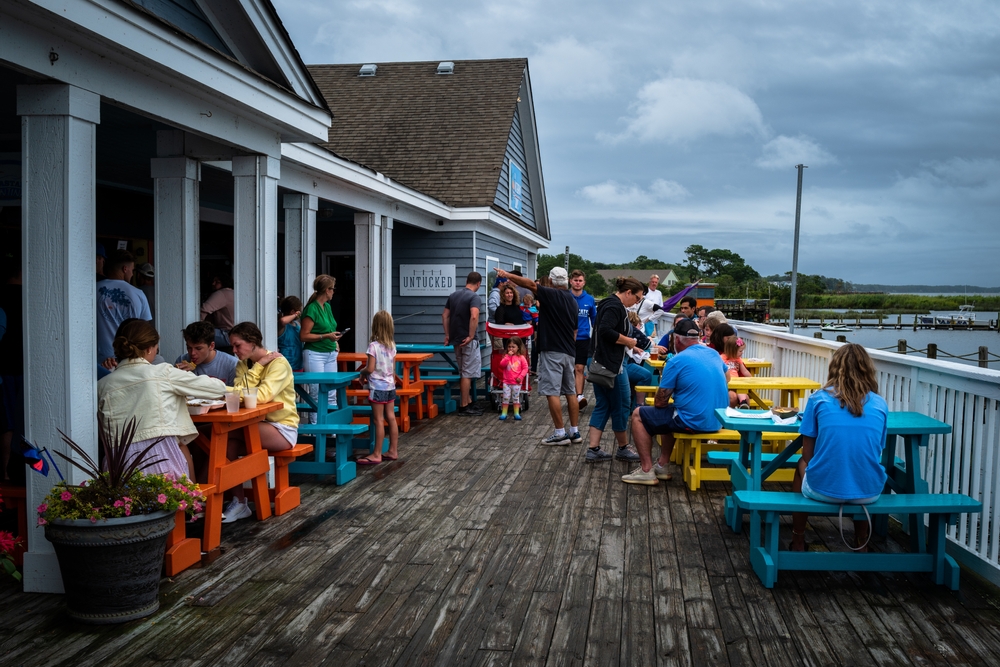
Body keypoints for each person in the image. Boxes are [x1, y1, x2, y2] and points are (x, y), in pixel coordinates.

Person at [97, 320, 225, 480]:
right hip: (160, 455)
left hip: (118, 462)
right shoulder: (162, 372)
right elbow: (217, 388)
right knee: (173, 501)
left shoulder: (102, 385)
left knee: (128, 504)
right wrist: (185, 378)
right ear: (150, 348)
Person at [790, 343, 888, 552]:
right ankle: (861, 541)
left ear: (834, 367)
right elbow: (877, 450)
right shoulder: (880, 403)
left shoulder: (819, 399)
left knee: (800, 464)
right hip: (869, 492)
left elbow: (808, 455)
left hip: (822, 490)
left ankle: (798, 539)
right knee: (863, 466)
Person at [622, 318, 729, 485]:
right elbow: (727, 377)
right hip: (718, 420)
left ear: (676, 339)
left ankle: (646, 470)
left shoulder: (676, 361)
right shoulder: (713, 354)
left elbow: (659, 402)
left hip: (694, 422)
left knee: (638, 415)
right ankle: (662, 466)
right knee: (671, 412)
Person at [223, 322, 298, 522]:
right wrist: (257, 366)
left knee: (223, 433)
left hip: (282, 429)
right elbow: (240, 393)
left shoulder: (278, 363)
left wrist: (257, 367)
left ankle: (212, 494)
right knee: (226, 440)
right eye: (232, 346)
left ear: (253, 341)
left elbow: (261, 396)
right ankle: (238, 502)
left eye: (237, 345)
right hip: (254, 424)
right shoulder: (242, 364)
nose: (234, 350)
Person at [499, 267, 582, 445]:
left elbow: (529, 284)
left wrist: (507, 275)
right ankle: (575, 432)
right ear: (567, 282)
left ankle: (560, 433)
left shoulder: (551, 294)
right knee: (570, 391)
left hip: (552, 350)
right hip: (569, 351)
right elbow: (575, 330)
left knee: (551, 391)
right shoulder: (572, 300)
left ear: (551, 282)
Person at [586, 277, 645, 462]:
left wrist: (630, 346)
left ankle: (593, 449)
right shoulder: (615, 306)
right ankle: (623, 447)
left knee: (603, 403)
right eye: (637, 298)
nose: (637, 303)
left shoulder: (606, 302)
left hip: (598, 361)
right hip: (610, 365)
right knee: (621, 404)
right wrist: (628, 341)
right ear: (628, 292)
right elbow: (605, 331)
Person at [97, 250, 152, 378]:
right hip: (129, 358)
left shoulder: (93, 289)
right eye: (132, 270)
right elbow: (144, 330)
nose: (132, 274)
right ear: (125, 269)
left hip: (99, 359)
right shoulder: (138, 294)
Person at [356, 310, 399, 464]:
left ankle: (376, 454)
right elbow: (393, 369)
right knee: (391, 418)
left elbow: (370, 368)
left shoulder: (373, 346)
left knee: (378, 420)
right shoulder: (392, 346)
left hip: (377, 387)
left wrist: (361, 372)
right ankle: (393, 450)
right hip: (390, 386)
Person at [300, 275, 343, 420]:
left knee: (331, 392)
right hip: (315, 354)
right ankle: (316, 430)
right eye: (332, 289)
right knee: (317, 393)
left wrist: (334, 340)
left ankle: (330, 430)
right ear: (327, 290)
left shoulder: (327, 307)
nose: (333, 292)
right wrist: (325, 337)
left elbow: (329, 328)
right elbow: (304, 335)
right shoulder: (312, 309)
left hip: (330, 353)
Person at [443, 271, 484, 416]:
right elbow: (474, 316)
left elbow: (445, 315)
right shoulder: (474, 297)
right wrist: (471, 335)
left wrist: (447, 335)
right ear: (478, 283)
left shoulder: (453, 295)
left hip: (455, 340)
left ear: (467, 280)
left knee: (463, 372)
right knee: (467, 373)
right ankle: (464, 405)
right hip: (468, 340)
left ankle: (468, 401)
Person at [0, 255, 21, 482]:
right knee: (25, 420)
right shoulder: (30, 296)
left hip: (4, 369)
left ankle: (5, 472)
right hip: (27, 367)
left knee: (7, 423)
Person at [174, 320, 238, 385]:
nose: (192, 353)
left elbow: (234, 394)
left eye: (198, 348)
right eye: (189, 348)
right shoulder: (181, 360)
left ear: (211, 346)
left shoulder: (232, 364)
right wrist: (175, 375)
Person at [570, 270, 597, 410]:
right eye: (575, 280)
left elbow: (594, 320)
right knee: (568, 369)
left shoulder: (589, 299)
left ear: (584, 282)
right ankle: (569, 395)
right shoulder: (565, 297)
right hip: (566, 338)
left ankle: (579, 396)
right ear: (570, 281)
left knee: (579, 368)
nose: (578, 283)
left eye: (580, 280)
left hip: (583, 338)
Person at [498, 337, 529, 421]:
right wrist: (508, 356)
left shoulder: (521, 358)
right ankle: (504, 413)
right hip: (506, 382)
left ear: (518, 347)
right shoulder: (505, 356)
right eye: (509, 347)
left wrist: (521, 377)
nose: (511, 348)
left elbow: (525, 368)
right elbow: (502, 365)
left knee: (516, 398)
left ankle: (516, 413)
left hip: (516, 382)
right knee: (506, 397)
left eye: (513, 347)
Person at [201, 274, 235, 349]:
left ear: (224, 282)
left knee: (197, 334)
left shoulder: (222, 293)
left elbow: (204, 309)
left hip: (227, 335)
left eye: (217, 282)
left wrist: (197, 327)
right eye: (213, 281)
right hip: (235, 334)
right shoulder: (233, 292)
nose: (213, 284)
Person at [719, 333, 751, 408]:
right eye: (740, 351)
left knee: (743, 394)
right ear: (732, 350)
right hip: (727, 384)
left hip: (737, 383)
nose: (742, 353)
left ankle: (743, 403)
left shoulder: (738, 359)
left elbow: (744, 371)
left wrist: (752, 379)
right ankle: (731, 411)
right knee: (732, 396)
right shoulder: (722, 358)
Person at [277, 296, 304, 372]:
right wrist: (295, 315)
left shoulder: (297, 324)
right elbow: (283, 321)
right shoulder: (282, 326)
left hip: (299, 364)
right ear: (292, 312)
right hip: (286, 364)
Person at [636, 274, 666, 339]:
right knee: (644, 336)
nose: (654, 284)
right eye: (653, 282)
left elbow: (661, 306)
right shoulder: (645, 292)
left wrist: (651, 318)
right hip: (644, 320)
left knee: (653, 338)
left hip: (655, 320)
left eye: (656, 282)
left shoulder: (659, 293)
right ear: (650, 282)